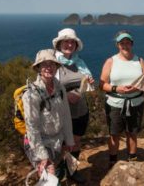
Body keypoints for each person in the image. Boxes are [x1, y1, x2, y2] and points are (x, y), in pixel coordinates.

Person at [100, 30, 144, 168]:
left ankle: (132, 160)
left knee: (132, 133)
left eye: (128, 43)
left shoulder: (139, 60)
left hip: (135, 102)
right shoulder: (111, 61)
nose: (125, 45)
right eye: (122, 43)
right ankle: (112, 161)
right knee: (114, 134)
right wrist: (117, 89)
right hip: (115, 103)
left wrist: (136, 88)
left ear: (132, 44)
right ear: (118, 45)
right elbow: (102, 84)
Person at [22, 49, 75, 181]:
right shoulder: (31, 95)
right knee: (49, 174)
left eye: (52, 64)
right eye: (44, 64)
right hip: (39, 141)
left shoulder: (60, 88)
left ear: (56, 67)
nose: (48, 67)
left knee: (57, 171)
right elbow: (32, 127)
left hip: (57, 139)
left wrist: (69, 140)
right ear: (38, 68)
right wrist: (42, 156)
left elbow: (66, 115)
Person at [52, 28, 94, 183]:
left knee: (75, 142)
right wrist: (65, 95)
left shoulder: (79, 62)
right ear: (59, 44)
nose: (69, 44)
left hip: (80, 110)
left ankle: (72, 171)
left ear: (76, 46)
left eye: (72, 42)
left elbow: (86, 85)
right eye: (66, 41)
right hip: (60, 111)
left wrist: (87, 84)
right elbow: (45, 88)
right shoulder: (52, 62)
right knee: (60, 144)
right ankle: (57, 175)